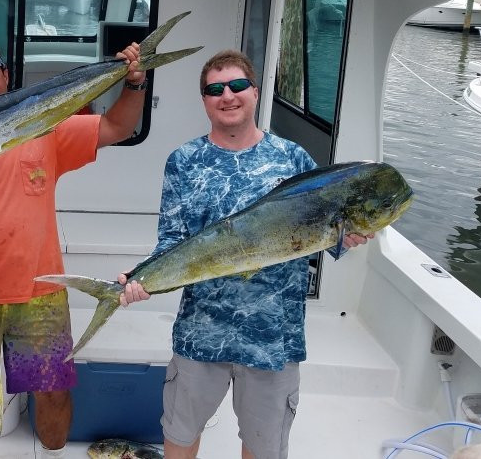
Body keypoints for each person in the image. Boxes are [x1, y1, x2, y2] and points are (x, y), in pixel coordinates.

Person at [118, 49, 371, 459]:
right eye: (215, 89)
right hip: (201, 332)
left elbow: (323, 233)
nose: (227, 96)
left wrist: (348, 236)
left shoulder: (294, 159)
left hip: (273, 338)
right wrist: (143, 275)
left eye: (237, 85)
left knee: (263, 447)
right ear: (204, 100)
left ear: (254, 92)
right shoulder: (184, 162)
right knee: (180, 436)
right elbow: (172, 239)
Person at [0, 39, 148, 458]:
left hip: (40, 291)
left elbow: (117, 128)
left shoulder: (44, 127)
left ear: (6, 77)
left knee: (52, 393)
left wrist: (135, 84)